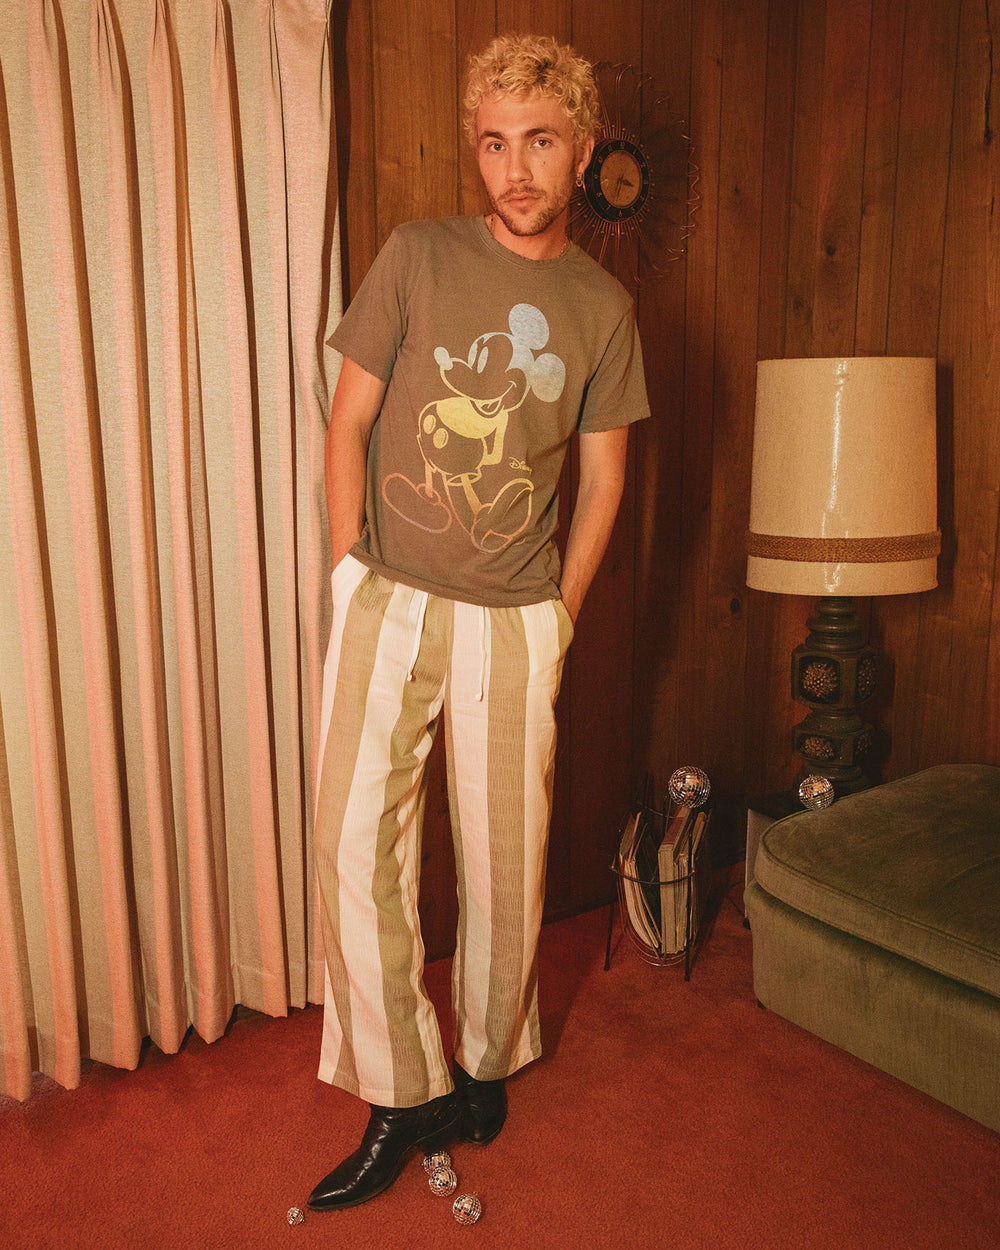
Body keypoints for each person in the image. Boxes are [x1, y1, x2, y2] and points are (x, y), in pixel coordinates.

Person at [307, 33, 650, 1212]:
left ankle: (487, 1062)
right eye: (495, 143)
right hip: (388, 593)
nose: (514, 169)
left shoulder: (602, 307)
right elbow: (348, 421)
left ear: (581, 151)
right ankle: (401, 1086)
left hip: (514, 618)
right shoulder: (417, 254)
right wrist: (348, 568)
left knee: (507, 859)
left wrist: (562, 613)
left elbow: (603, 480)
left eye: (539, 143)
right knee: (353, 844)